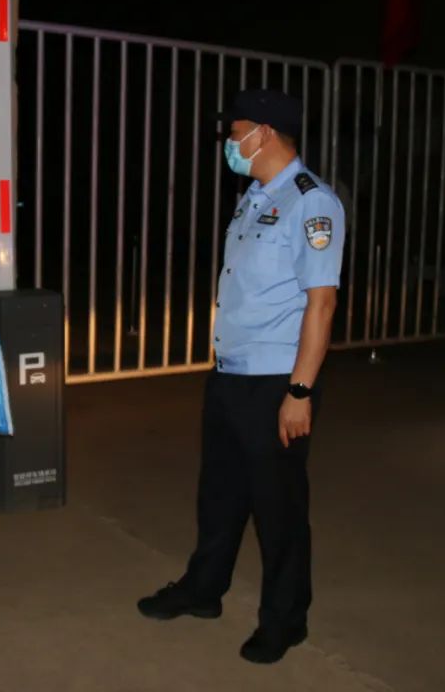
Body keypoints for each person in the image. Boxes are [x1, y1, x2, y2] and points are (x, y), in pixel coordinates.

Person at [137, 89, 345, 665]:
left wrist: (299, 392)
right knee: (220, 495)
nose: (229, 142)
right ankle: (204, 591)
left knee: (278, 508)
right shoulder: (254, 197)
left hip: (277, 380)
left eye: (235, 132)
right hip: (230, 373)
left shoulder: (313, 203)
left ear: (266, 133)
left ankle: (285, 620)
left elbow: (322, 304)